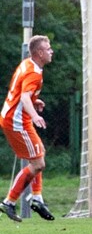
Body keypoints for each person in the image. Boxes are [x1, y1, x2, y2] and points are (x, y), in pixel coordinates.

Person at [1, 35, 55, 222]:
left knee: (38, 155)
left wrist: (34, 100)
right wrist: (35, 115)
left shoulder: (28, 64)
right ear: (39, 53)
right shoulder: (34, 73)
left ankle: (37, 198)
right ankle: (9, 201)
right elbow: (24, 97)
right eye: (48, 49)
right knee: (38, 163)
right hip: (16, 121)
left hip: (15, 117)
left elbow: (20, 91)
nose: (51, 51)